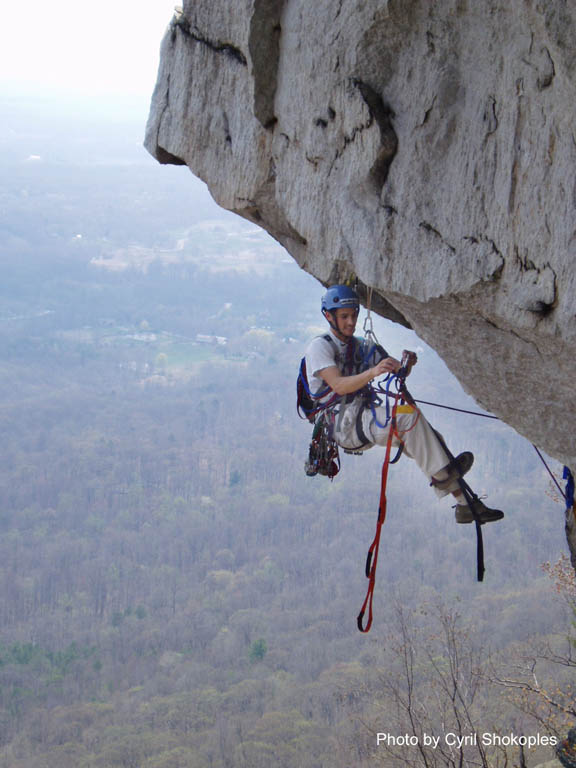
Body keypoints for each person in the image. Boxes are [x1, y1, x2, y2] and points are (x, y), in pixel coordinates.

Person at [304, 285, 504, 524]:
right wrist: (372, 372)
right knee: (409, 420)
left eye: (354, 315)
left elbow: (393, 367)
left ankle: (465, 505)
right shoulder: (320, 347)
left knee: (429, 439)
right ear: (329, 316)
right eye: (344, 316)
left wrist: (406, 365)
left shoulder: (360, 345)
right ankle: (450, 485)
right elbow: (338, 385)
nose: (350, 322)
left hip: (362, 415)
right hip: (342, 424)